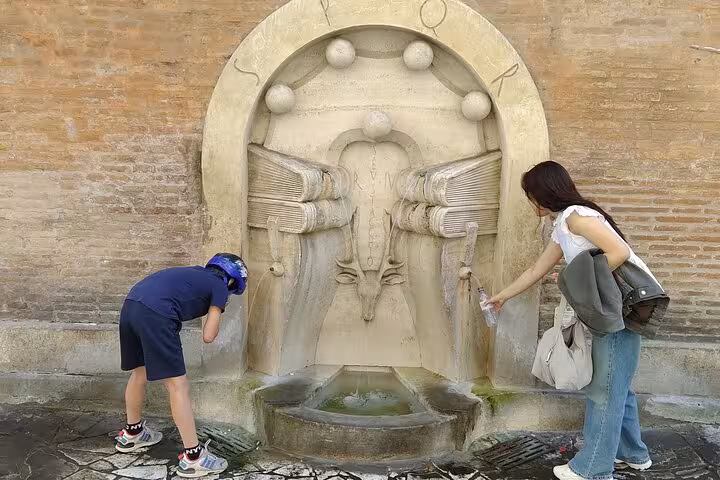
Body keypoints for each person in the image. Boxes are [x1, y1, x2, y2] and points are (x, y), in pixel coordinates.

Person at [487, 161, 654, 480]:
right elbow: (536, 270)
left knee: (604, 390)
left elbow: (619, 251)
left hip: (616, 311)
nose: (529, 201)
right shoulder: (563, 223)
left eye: (530, 194)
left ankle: (594, 468)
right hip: (609, 309)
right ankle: (633, 454)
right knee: (617, 386)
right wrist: (502, 296)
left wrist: (576, 279)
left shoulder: (577, 216)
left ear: (543, 193)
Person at [114, 253, 248, 478]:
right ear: (232, 280)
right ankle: (194, 457)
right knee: (178, 386)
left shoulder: (196, 272)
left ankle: (132, 433)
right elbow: (208, 335)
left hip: (131, 306)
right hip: (157, 314)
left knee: (140, 373)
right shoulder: (219, 286)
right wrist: (219, 308)